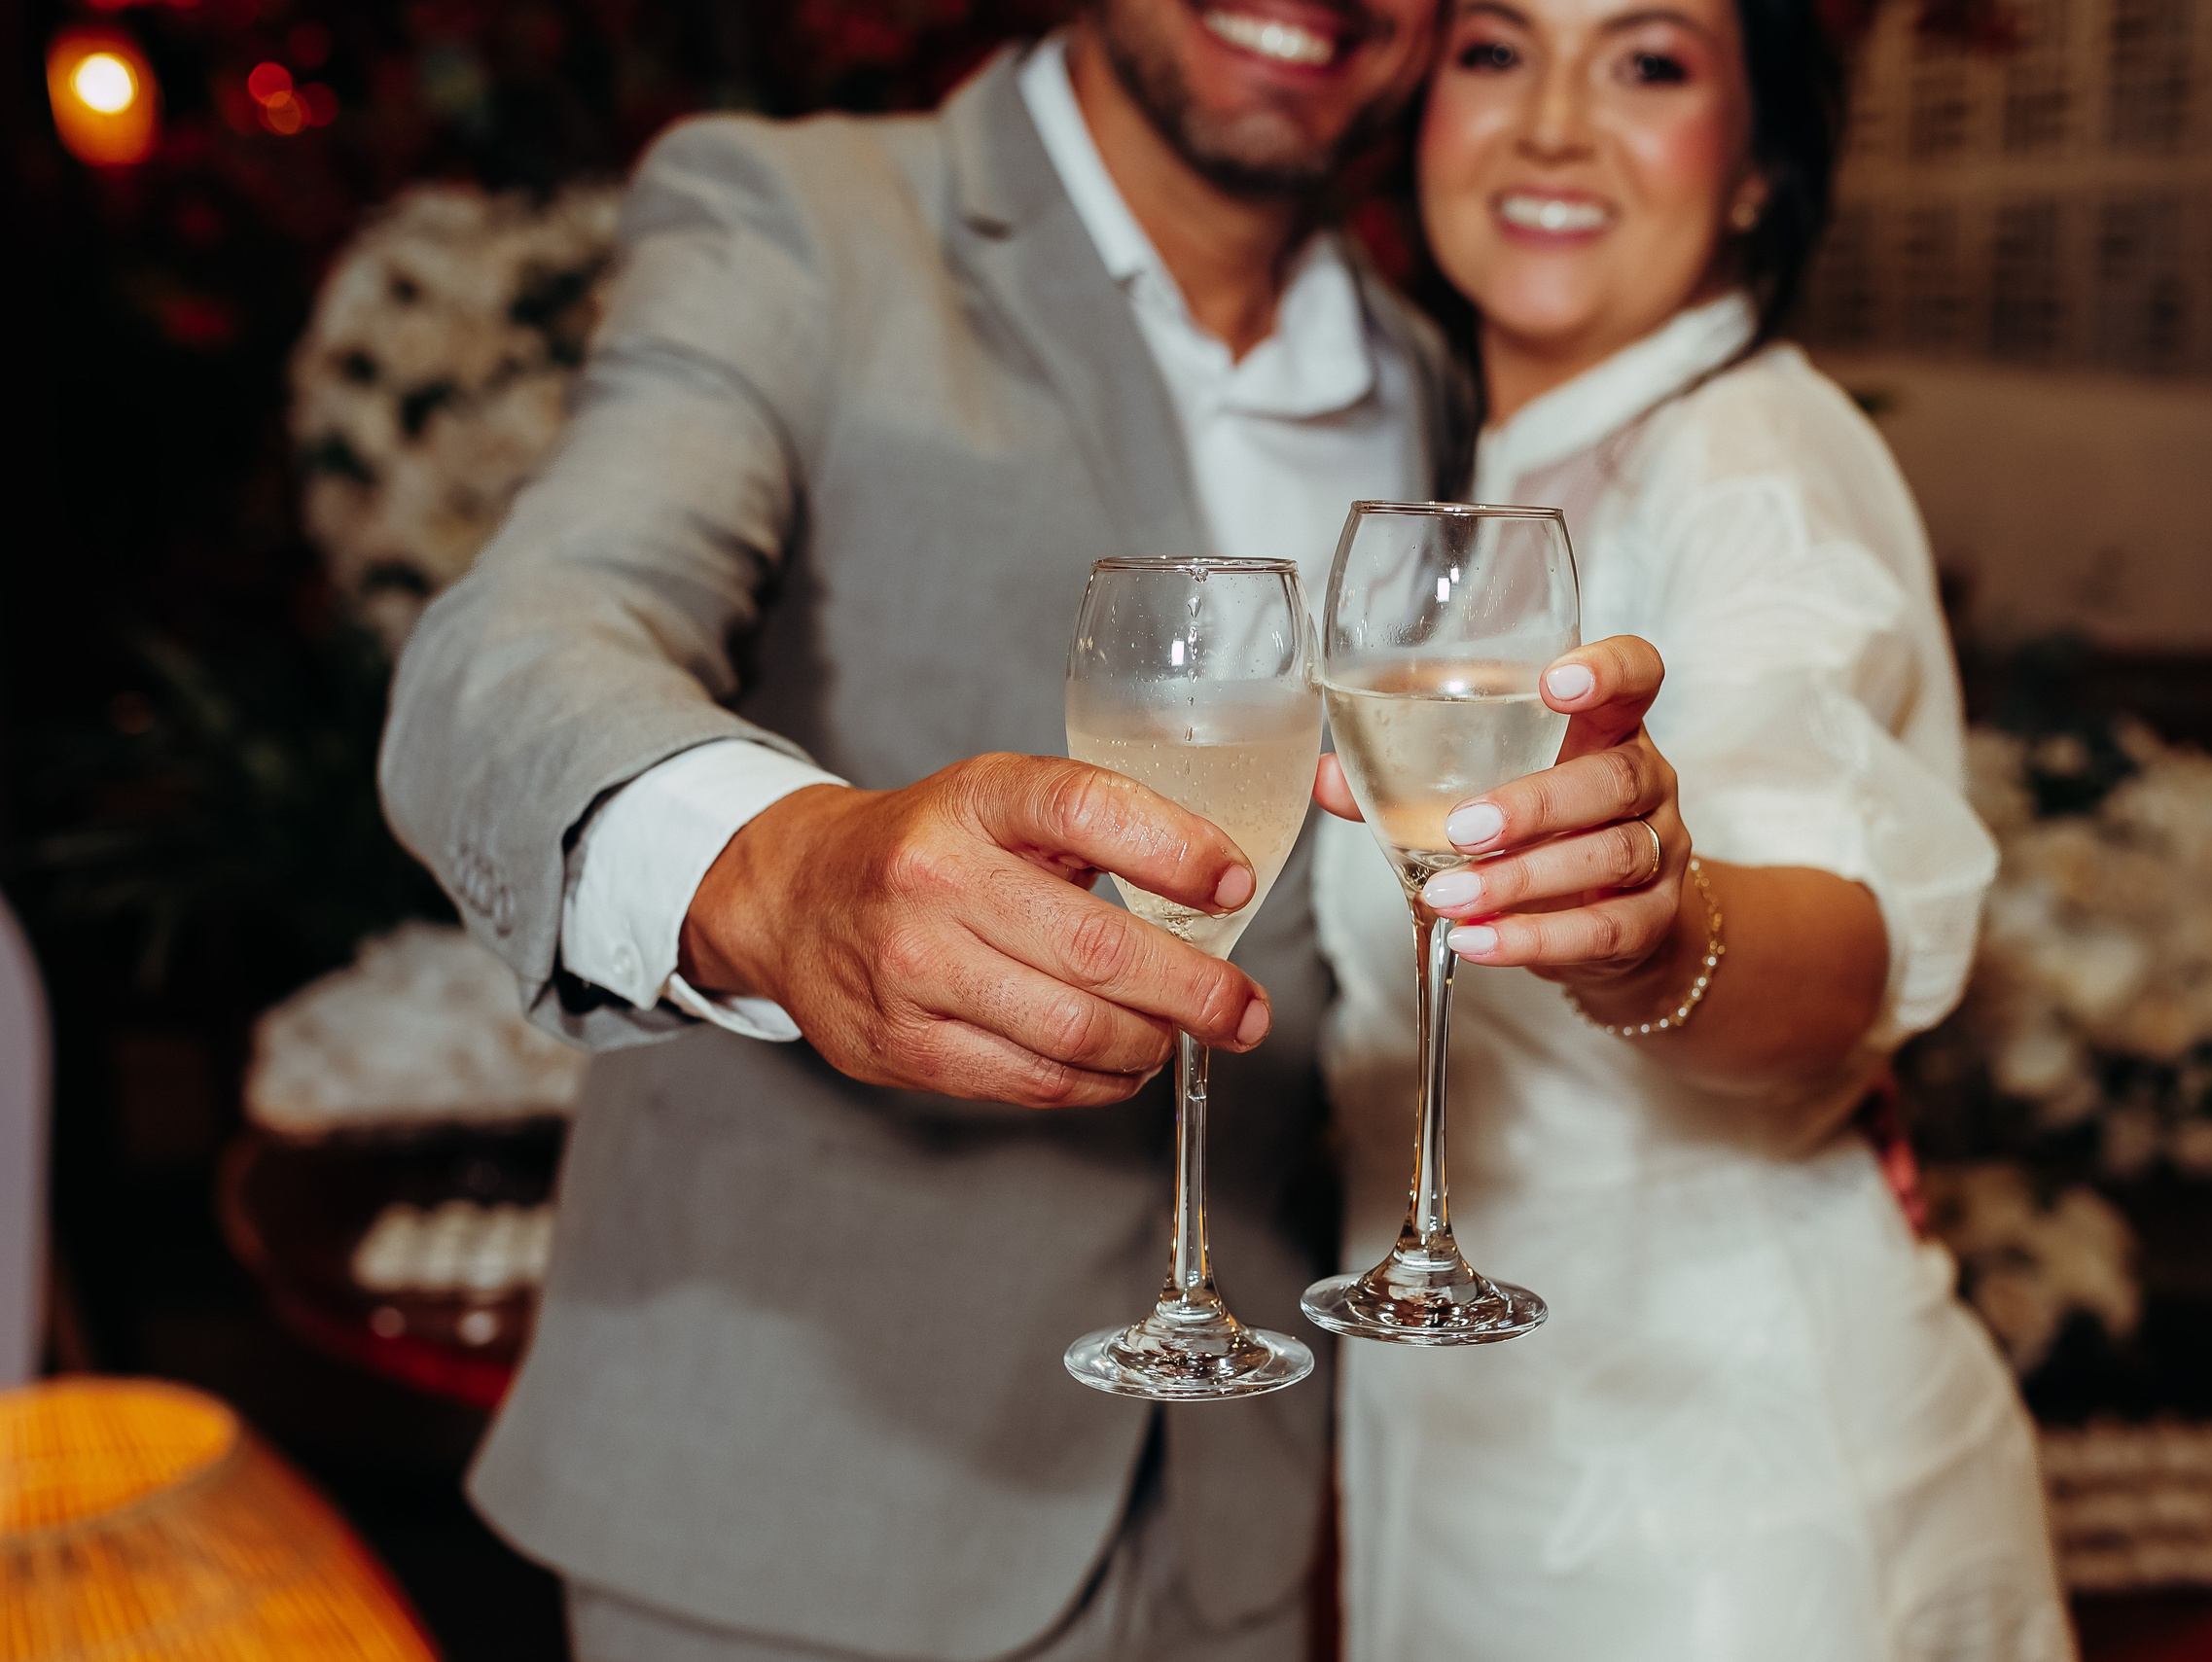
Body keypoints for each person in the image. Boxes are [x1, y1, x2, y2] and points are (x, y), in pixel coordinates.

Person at [377, 4, 1461, 1658]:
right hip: (794, 1510)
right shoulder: (797, 219)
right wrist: (780, 870)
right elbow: (512, 648)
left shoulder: (1420, 371)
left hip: (1241, 1514)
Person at [1305, 0, 2077, 1655]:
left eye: (1648, 62)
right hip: (1473, 1451)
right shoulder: (1495, 473)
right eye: (1497, 51)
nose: (1555, 124)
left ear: (1756, 170)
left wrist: (1665, 919)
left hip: (1722, 1510)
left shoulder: (1752, 455)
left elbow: (1849, 939)